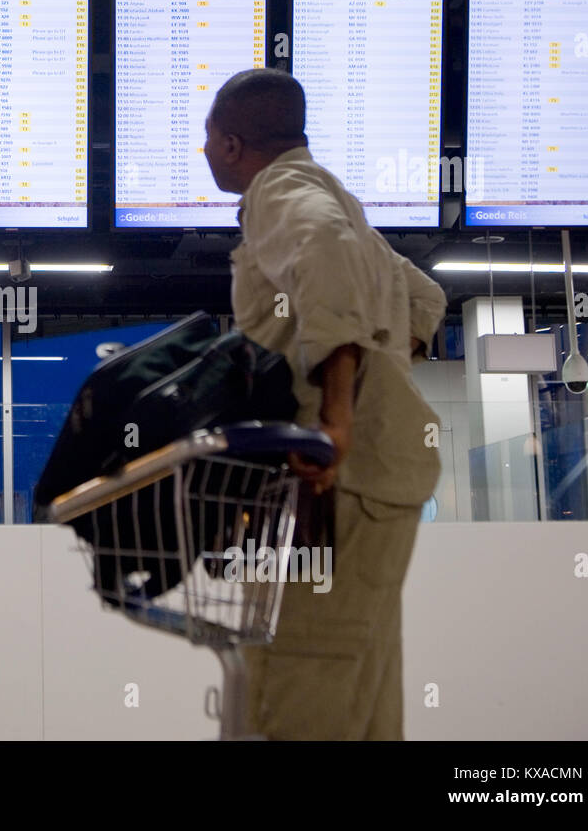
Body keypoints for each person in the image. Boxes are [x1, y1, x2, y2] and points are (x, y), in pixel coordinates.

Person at [203, 68, 446, 740]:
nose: (203, 151)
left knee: (297, 689)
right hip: (382, 489)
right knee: (362, 698)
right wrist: (382, 375)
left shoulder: (278, 190)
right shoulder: (337, 197)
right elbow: (424, 298)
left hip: (330, 491)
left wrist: (339, 415)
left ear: (231, 145)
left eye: (207, 138)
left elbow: (325, 252)